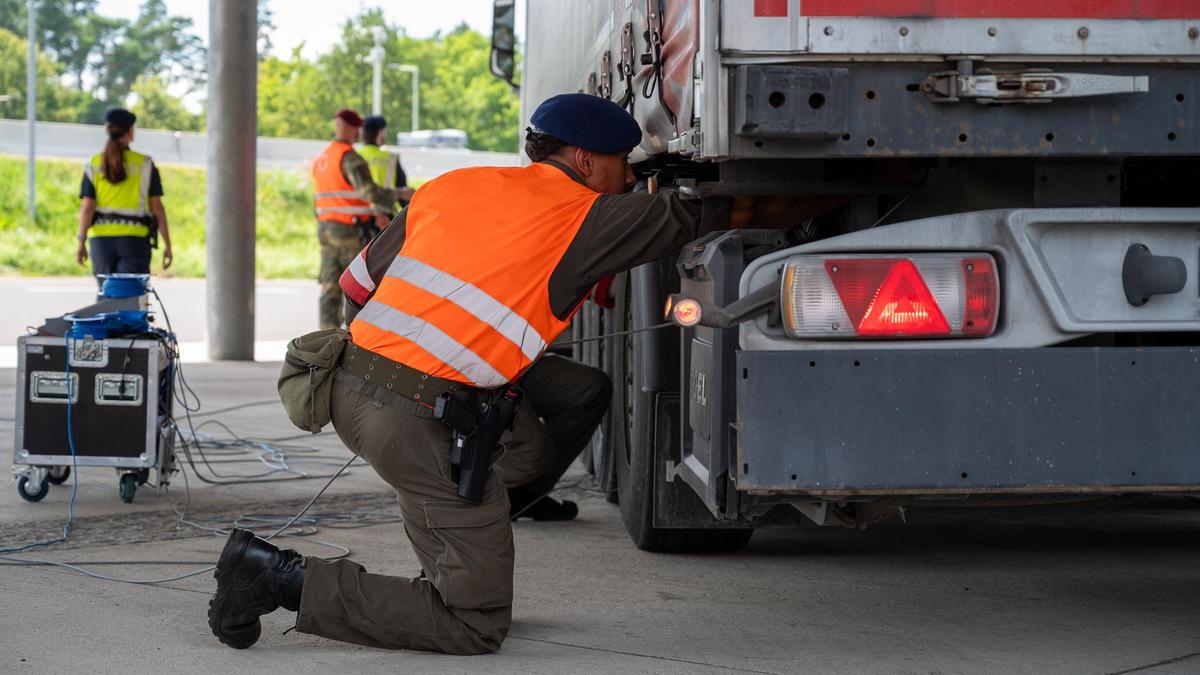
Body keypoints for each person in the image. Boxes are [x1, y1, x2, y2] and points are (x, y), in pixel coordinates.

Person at [208, 93, 735, 655]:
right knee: (473, 621)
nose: (630, 175)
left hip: (347, 382)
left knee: (580, 390)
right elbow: (711, 215)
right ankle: (278, 578)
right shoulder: (587, 216)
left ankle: (475, 515)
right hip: (414, 418)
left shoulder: (451, 186)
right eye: (621, 160)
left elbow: (357, 287)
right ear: (584, 161)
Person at [312, 108, 406, 329]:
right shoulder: (349, 157)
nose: (359, 132)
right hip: (350, 232)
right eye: (357, 127)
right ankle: (358, 343)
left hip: (325, 230)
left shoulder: (322, 158)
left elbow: (334, 199)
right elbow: (368, 192)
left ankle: (325, 343)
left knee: (329, 289)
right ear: (350, 127)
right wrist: (400, 194)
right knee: (358, 289)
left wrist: (372, 212)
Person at [76, 108, 173, 283]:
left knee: (106, 297)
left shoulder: (94, 164)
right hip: (134, 241)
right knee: (131, 299)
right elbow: (157, 207)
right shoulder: (145, 164)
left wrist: (81, 241)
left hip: (101, 242)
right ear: (130, 131)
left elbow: (87, 206)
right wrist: (168, 244)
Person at [357, 115, 416, 215]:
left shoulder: (355, 156)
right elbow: (403, 194)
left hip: (361, 216)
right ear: (380, 133)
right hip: (384, 217)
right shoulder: (390, 159)